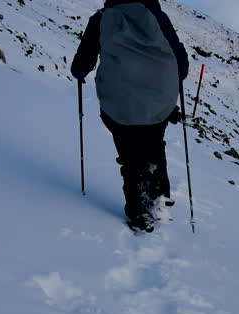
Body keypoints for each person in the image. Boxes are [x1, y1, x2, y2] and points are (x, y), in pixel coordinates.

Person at [71, 0, 190, 232]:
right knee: (154, 144)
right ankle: (158, 197)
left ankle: (139, 211)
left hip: (119, 102)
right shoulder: (158, 17)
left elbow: (81, 64)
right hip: (158, 99)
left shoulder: (101, 18)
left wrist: (79, 72)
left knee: (130, 154)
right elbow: (180, 62)